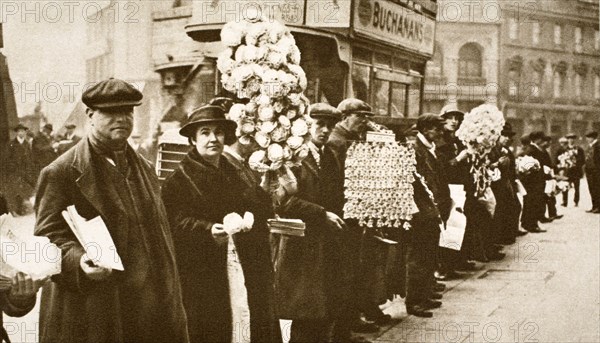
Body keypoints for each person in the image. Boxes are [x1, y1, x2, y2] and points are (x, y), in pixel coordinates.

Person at [34, 78, 189, 343]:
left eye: (127, 111)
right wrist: (80, 261)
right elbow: (46, 240)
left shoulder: (144, 167)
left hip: (151, 309)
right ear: (90, 116)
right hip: (96, 310)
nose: (122, 118)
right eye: (111, 112)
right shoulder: (61, 172)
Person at [161, 105, 281, 343]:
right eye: (205, 133)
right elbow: (174, 223)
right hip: (202, 271)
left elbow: (249, 207)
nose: (213, 138)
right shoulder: (179, 179)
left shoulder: (233, 172)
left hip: (239, 264)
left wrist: (263, 193)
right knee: (211, 327)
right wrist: (208, 230)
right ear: (193, 140)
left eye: (218, 132)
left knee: (243, 321)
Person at [273, 103, 354, 342]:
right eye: (320, 125)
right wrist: (322, 214)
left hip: (327, 244)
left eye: (330, 126)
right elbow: (283, 202)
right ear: (307, 125)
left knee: (325, 310)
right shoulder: (293, 156)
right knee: (304, 312)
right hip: (302, 244)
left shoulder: (329, 154)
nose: (325, 131)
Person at [328, 98, 382, 333]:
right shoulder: (337, 141)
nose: (364, 122)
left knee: (355, 268)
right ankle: (346, 324)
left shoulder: (350, 139)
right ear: (345, 117)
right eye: (360, 116)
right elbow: (338, 182)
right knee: (346, 271)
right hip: (343, 214)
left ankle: (352, 319)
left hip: (354, 212)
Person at [406, 114, 451, 318]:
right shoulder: (416, 150)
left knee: (428, 255)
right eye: (436, 128)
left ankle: (424, 295)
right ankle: (415, 301)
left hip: (432, 211)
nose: (440, 132)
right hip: (422, 212)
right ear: (425, 129)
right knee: (419, 257)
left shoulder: (427, 149)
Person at [519, 131, 549, 233]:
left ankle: (528, 223)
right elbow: (525, 165)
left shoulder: (534, 149)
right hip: (533, 182)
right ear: (537, 139)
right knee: (532, 202)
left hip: (536, 180)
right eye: (541, 138)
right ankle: (531, 225)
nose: (543, 141)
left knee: (532, 202)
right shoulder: (532, 150)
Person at [4, 124, 36, 216]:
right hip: (15, 172)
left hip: (26, 172)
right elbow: (7, 159)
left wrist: (30, 170)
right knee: (16, 190)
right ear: (17, 132)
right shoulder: (11, 144)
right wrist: (11, 169)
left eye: (23, 131)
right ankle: (18, 209)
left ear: (25, 132)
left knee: (25, 190)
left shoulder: (27, 144)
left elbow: (31, 158)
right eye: (19, 131)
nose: (21, 133)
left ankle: (23, 208)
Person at [558, 133, 586, 207]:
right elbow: (558, 159)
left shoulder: (579, 149)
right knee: (565, 186)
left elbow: (582, 160)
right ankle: (565, 201)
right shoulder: (563, 149)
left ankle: (576, 201)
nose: (571, 140)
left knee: (577, 187)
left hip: (576, 171)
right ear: (567, 140)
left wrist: (576, 163)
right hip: (567, 171)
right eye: (569, 138)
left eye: (572, 138)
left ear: (574, 140)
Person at [584, 131, 600, 213]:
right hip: (590, 171)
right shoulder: (590, 146)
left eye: (588, 137)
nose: (587, 139)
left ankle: (598, 207)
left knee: (597, 189)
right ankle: (594, 206)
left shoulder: (598, 146)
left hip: (596, 171)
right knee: (592, 189)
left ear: (593, 138)